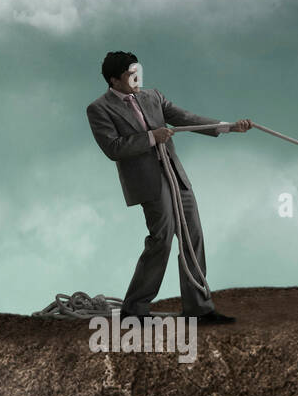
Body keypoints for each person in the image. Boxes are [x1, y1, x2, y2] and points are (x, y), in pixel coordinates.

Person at [86, 51, 252, 323]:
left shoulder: (153, 96)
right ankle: (134, 308)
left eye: (137, 70)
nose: (137, 77)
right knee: (161, 239)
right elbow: (112, 148)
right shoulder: (99, 109)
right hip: (149, 182)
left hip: (176, 174)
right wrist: (152, 137)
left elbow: (185, 117)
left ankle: (198, 308)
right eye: (130, 74)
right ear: (114, 80)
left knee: (193, 234)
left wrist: (228, 127)